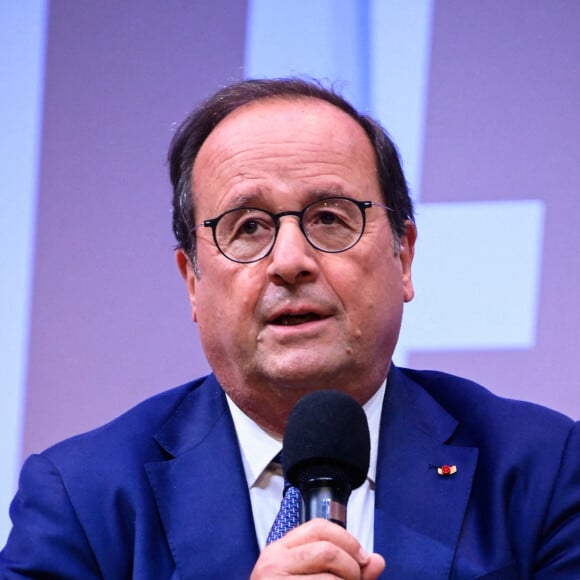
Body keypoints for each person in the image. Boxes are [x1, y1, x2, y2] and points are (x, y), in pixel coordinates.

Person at [1, 77, 579, 579]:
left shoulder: (541, 470)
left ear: (402, 257)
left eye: (330, 218)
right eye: (248, 226)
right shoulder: (82, 501)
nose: (290, 261)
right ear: (193, 282)